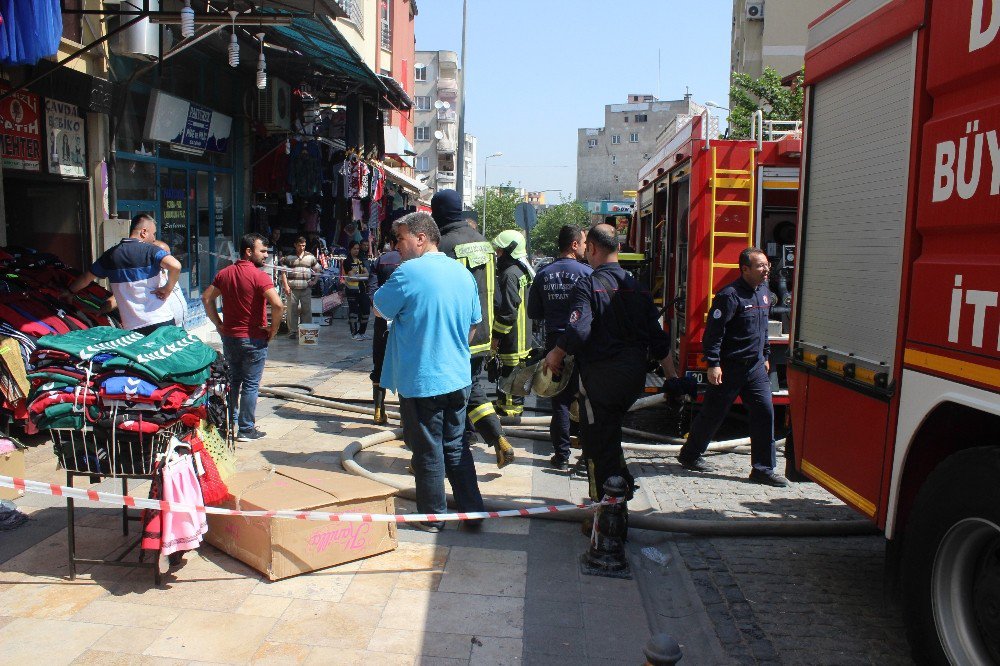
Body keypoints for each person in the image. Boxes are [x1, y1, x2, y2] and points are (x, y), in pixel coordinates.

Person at [544, 223, 676, 503]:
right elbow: (658, 338)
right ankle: (621, 486)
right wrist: (672, 377)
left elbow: (579, 331)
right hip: (633, 380)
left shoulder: (588, 284)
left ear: (591, 248)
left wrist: (556, 353)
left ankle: (605, 510)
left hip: (600, 380)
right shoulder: (638, 288)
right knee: (610, 434)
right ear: (618, 248)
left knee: (596, 446)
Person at [373, 212, 486, 533]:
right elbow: (474, 324)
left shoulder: (408, 272)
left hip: (423, 380)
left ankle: (433, 517)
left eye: (401, 239)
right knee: (455, 445)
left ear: (421, 238)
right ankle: (472, 513)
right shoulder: (461, 272)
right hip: (458, 378)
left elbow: (380, 308)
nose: (397, 246)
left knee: (427, 450)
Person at [677, 247, 789, 487]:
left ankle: (762, 469)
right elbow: (714, 334)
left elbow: (763, 330)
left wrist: (766, 354)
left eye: (767, 264)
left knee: (764, 413)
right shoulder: (730, 296)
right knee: (713, 414)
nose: (766, 269)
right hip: (730, 368)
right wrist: (714, 364)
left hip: (756, 367)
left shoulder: (765, 293)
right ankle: (690, 455)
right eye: (760, 265)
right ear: (745, 269)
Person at [433, 189, 515, 469]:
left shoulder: (441, 245)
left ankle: (446, 455)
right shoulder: (485, 244)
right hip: (481, 333)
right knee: (472, 386)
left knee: (448, 395)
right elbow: (496, 293)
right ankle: (498, 438)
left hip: (453, 335)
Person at [201, 233, 285, 442]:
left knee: (233, 382)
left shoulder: (224, 273)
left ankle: (229, 425)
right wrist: (273, 329)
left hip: (230, 338)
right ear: (249, 251)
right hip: (254, 339)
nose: (266, 255)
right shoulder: (260, 276)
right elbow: (278, 304)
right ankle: (246, 429)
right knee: (250, 384)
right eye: (262, 251)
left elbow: (206, 298)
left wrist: (218, 324)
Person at [527, 224, 592, 470]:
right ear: (574, 245)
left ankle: (562, 456)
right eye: (584, 243)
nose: (586, 247)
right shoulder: (586, 273)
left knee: (560, 402)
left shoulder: (544, 274)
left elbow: (534, 312)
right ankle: (587, 456)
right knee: (586, 400)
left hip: (555, 344)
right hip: (582, 342)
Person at [66, 214, 181, 335]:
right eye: (153, 233)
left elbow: (86, 278)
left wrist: (69, 292)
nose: (153, 239)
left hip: (133, 326)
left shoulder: (111, 255)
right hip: (161, 320)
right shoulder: (152, 250)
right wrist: (167, 289)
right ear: (144, 232)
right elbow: (176, 266)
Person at [491, 229, 534, 417]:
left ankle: (509, 417)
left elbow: (508, 313)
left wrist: (496, 337)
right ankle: (506, 406)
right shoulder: (523, 270)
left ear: (509, 251)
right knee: (514, 378)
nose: (497, 255)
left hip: (512, 338)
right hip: (524, 337)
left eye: (500, 251)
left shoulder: (509, 274)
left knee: (509, 378)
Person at [369, 233, 401, 424]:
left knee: (379, 364)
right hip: (406, 322)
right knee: (405, 365)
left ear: (391, 242)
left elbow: (372, 291)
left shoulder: (380, 261)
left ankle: (379, 411)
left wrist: (379, 310)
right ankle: (407, 416)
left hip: (382, 320)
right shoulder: (414, 261)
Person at [280, 236, 320, 340]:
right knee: (291, 310)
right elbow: (283, 272)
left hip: (305, 288)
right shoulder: (288, 257)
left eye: (303, 245)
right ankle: (292, 331)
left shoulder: (310, 256)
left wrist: (314, 281)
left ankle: (306, 330)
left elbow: (317, 269)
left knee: (306, 310)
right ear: (295, 245)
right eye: (300, 245)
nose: (302, 247)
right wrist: (286, 286)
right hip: (292, 288)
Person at [150, 240, 188, 328]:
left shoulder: (170, 272)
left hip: (180, 325)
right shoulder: (151, 277)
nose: (168, 258)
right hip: (164, 327)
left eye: (169, 254)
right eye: (164, 254)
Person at [342, 241, 371, 341]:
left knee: (366, 310)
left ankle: (362, 332)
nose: (356, 250)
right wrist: (358, 276)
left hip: (362, 289)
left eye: (358, 249)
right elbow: (351, 276)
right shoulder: (347, 261)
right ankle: (354, 333)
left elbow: (367, 274)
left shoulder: (360, 260)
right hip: (352, 290)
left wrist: (358, 275)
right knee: (353, 312)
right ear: (350, 249)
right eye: (354, 248)